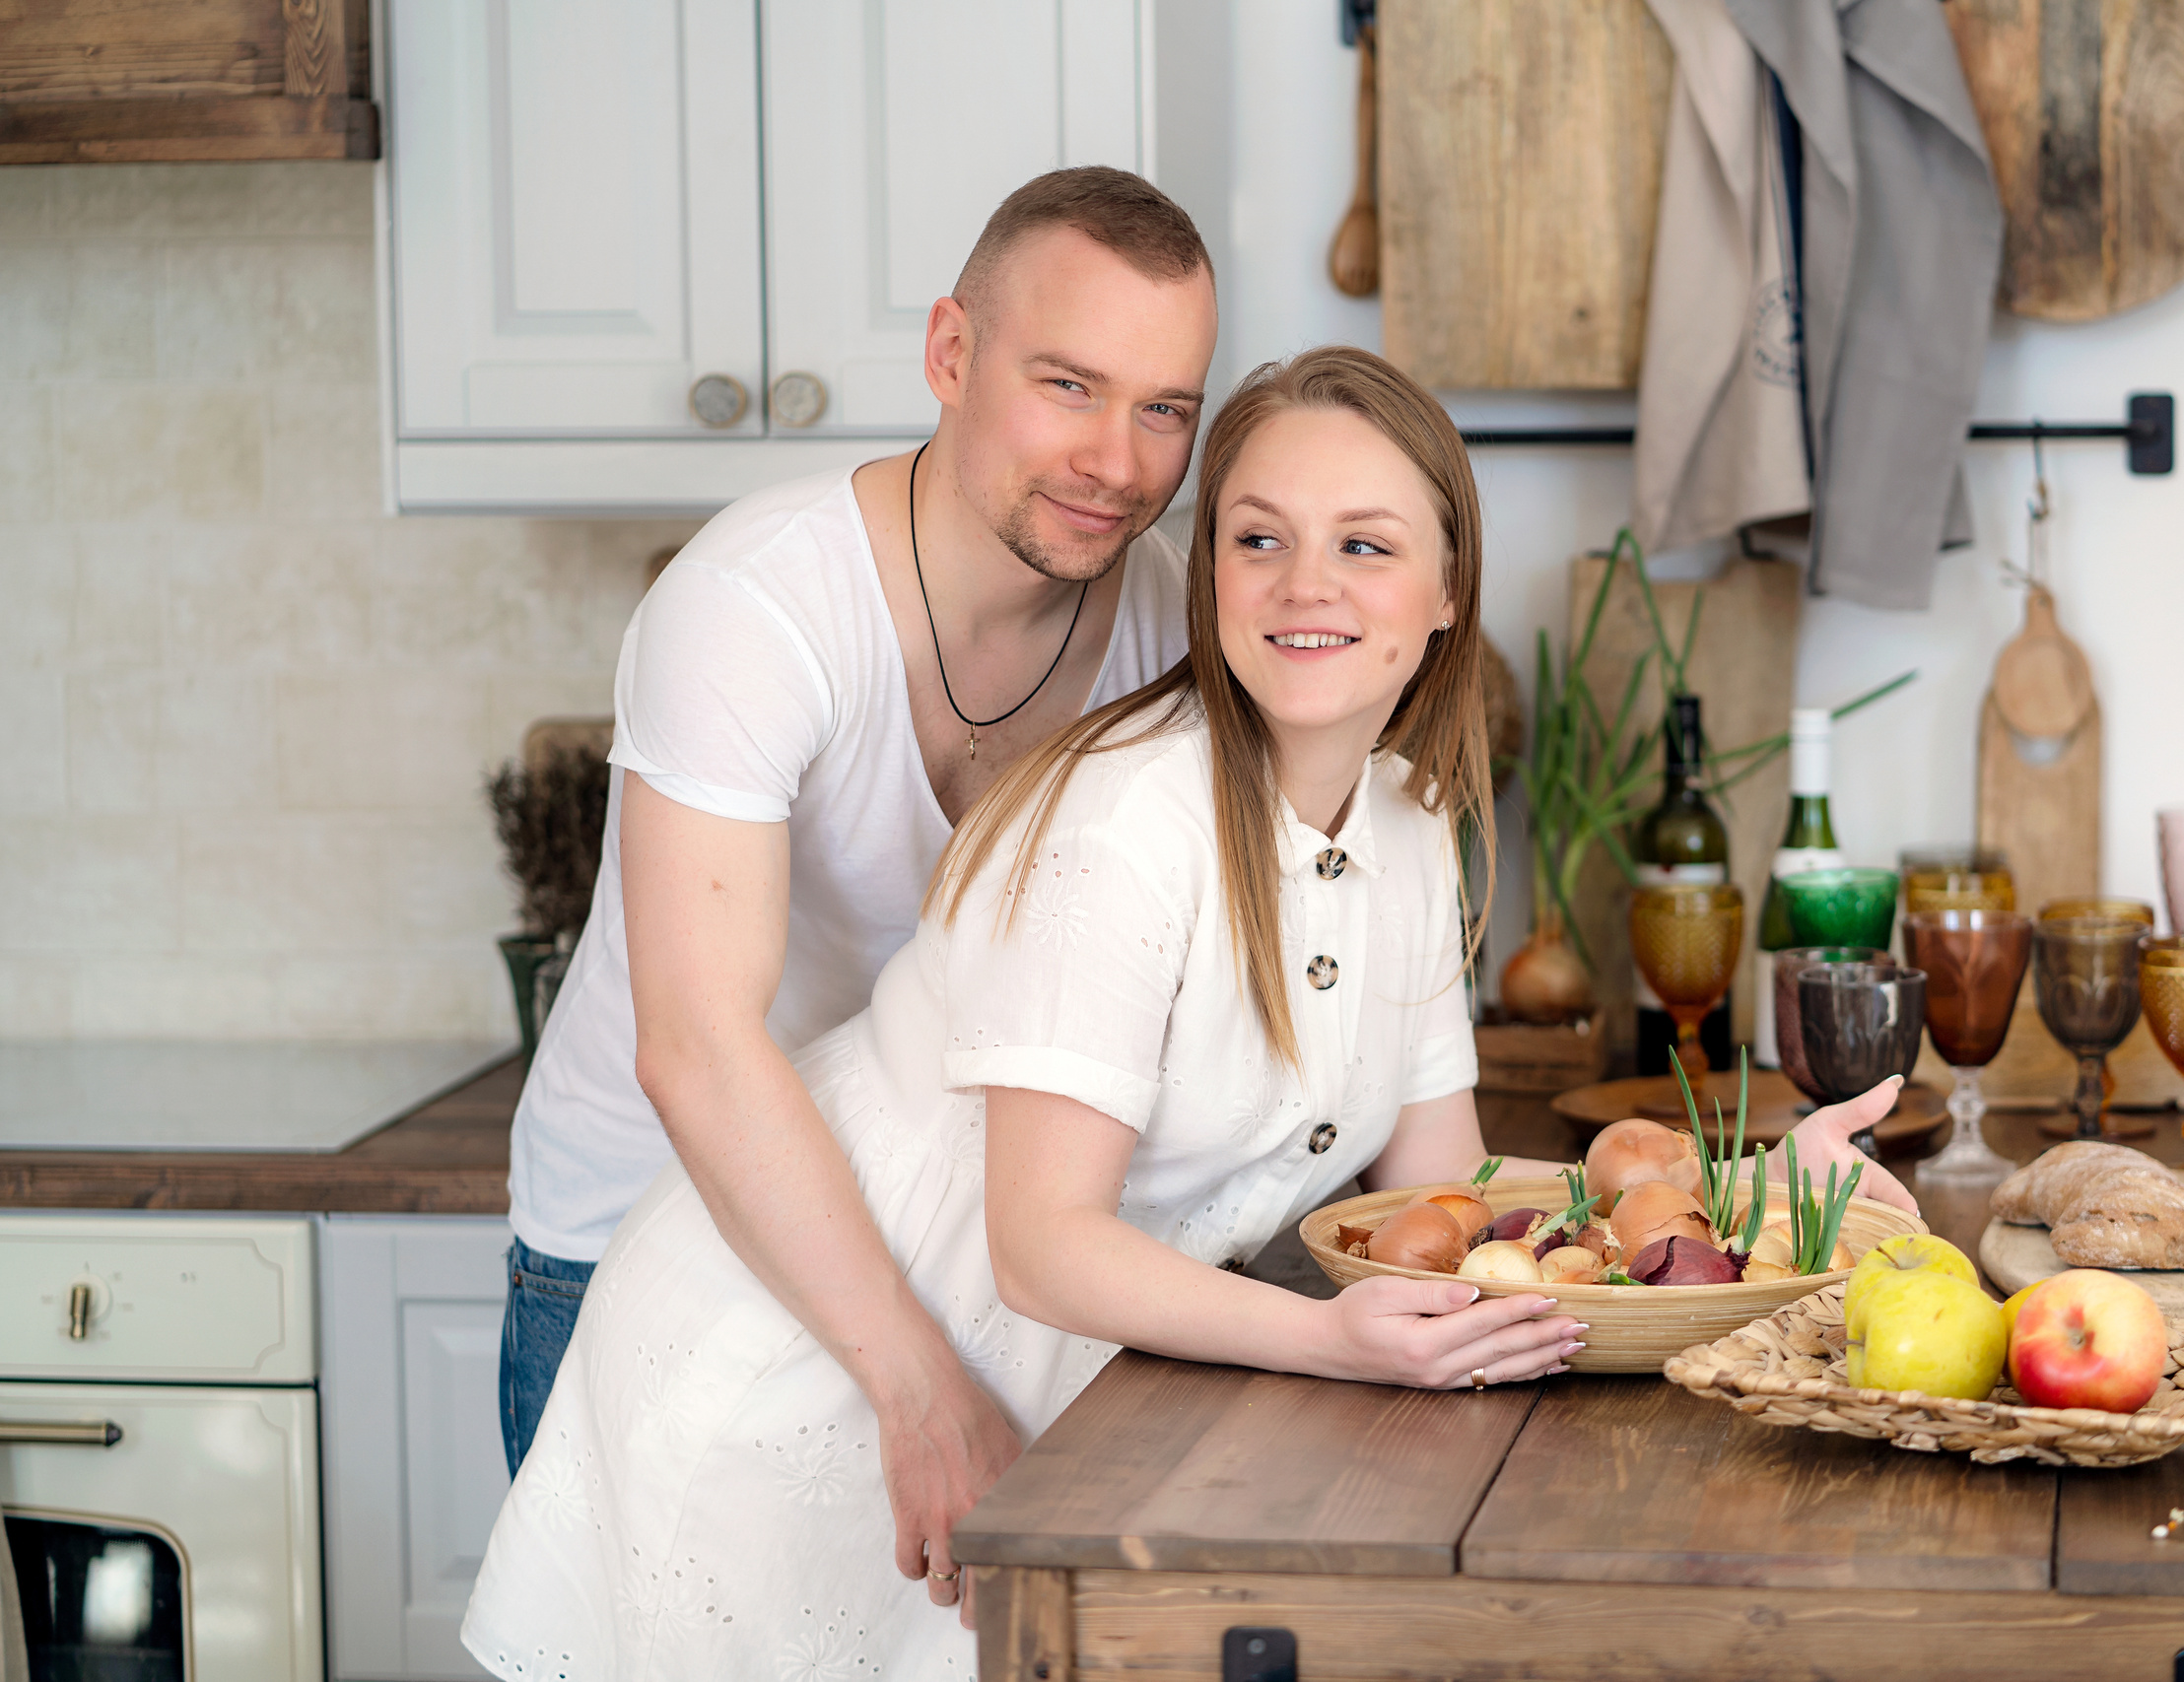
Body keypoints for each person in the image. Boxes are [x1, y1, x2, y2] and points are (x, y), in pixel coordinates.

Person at [463, 346, 1915, 1679]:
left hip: (1051, 1403)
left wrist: (1743, 1202)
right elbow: (1044, 1246)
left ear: (1448, 588)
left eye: (1366, 544)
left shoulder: (1410, 826)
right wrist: (1338, 1342)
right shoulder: (1126, 826)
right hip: (793, 1391)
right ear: (1207, 570)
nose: (1306, 584)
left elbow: (1448, 1198)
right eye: (1258, 537)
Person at [495, 167, 1215, 1542]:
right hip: (644, 1244)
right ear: (951, 353)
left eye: (1164, 409)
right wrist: (917, 1383)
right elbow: (696, 1045)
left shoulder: (1168, 622)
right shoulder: (753, 604)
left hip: (929, 1251)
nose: (1119, 463)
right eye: (1068, 385)